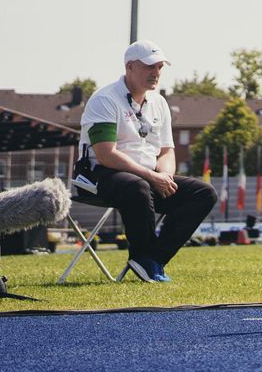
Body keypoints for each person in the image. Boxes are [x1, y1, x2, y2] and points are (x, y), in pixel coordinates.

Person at [76, 40, 217, 283]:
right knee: (137, 186)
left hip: (145, 177)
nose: (156, 73)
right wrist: (152, 177)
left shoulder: (159, 102)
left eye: (160, 67)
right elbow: (105, 154)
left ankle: (151, 258)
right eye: (149, 66)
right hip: (98, 174)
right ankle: (145, 259)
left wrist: (165, 176)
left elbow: (166, 151)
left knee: (204, 193)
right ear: (130, 67)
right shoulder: (104, 99)